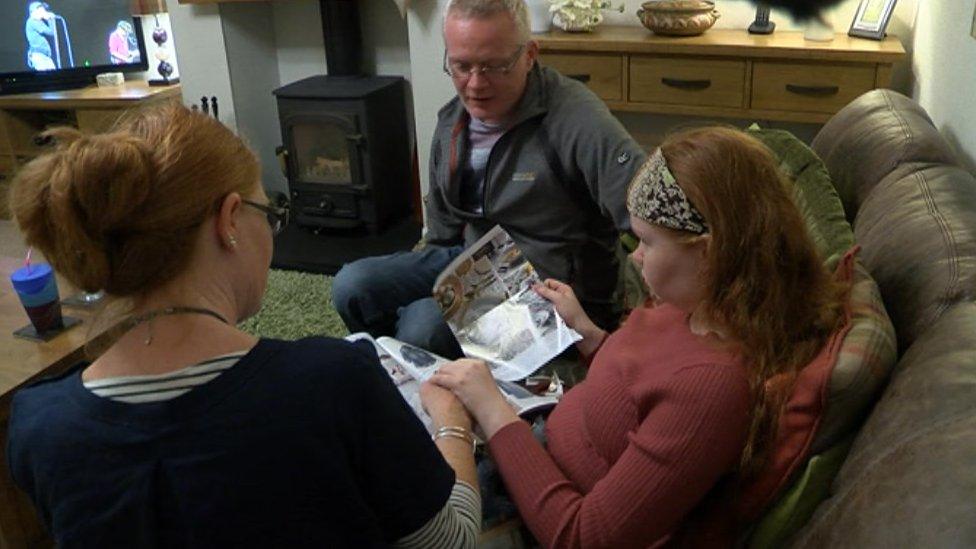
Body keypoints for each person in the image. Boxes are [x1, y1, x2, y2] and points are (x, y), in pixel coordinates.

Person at [6, 104, 481, 547]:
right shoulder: (332, 380)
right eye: (269, 214)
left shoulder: (38, 425)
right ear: (229, 220)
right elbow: (453, 539)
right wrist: (452, 427)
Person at [427, 127, 850, 547]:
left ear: (709, 253)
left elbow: (582, 536)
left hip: (531, 505)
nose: (635, 255)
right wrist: (589, 335)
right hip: (534, 444)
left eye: (647, 241)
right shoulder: (700, 305)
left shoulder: (713, 390)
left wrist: (492, 411)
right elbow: (645, 388)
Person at [332, 0, 646, 358]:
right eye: (461, 66)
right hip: (476, 260)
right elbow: (442, 230)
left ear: (529, 55)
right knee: (352, 286)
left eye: (495, 66)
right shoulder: (453, 121)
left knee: (423, 325)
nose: (475, 84)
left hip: (555, 286)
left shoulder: (577, 118)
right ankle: (413, 376)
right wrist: (440, 285)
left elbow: (652, 211)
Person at [25, 1, 56, 71]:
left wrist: (50, 19)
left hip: (45, 56)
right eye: (41, 10)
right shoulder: (32, 21)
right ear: (35, 11)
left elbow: (52, 32)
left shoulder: (39, 22)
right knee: (46, 78)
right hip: (39, 55)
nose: (44, 11)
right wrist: (49, 19)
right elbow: (50, 32)